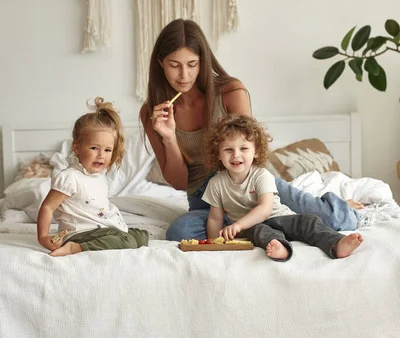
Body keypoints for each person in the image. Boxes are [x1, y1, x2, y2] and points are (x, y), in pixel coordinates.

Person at [140, 19, 361, 242]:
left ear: (203, 61)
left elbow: (250, 153)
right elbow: (179, 183)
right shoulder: (151, 114)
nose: (184, 75)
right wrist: (168, 137)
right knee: (180, 233)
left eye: (192, 64)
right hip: (207, 198)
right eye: (174, 65)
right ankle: (256, 222)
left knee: (338, 220)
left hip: (252, 183)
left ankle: (324, 207)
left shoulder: (230, 92)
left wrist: (244, 199)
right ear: (161, 62)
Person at [202, 115, 363, 260]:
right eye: (228, 150)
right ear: (218, 154)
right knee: (261, 231)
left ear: (256, 151)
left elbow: (265, 209)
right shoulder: (216, 184)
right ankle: (281, 247)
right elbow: (215, 218)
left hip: (281, 218)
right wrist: (214, 244)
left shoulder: (261, 175)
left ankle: (336, 244)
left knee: (309, 221)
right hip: (252, 228)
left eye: (243, 148)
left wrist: (238, 224)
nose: (236, 155)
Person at [37, 97, 149, 257]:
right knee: (128, 242)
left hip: (100, 228)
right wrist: (42, 237)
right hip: (80, 232)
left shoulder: (99, 176)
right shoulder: (70, 177)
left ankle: (112, 239)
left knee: (141, 235)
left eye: (108, 150)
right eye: (94, 148)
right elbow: (48, 207)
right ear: (77, 148)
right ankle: (75, 248)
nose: (101, 155)